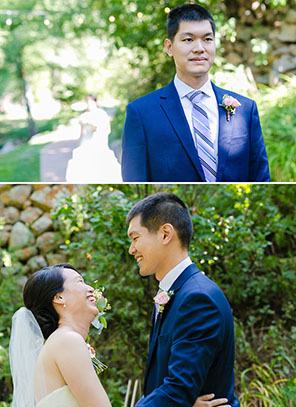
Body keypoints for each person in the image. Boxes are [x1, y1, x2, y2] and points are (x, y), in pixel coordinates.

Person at [9, 262, 232, 407]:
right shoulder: (67, 341)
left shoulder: (59, 342)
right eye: (79, 281)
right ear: (59, 298)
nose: (90, 288)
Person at [121, 4, 269, 182]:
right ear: (169, 47)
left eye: (207, 39)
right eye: (188, 40)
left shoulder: (245, 108)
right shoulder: (141, 113)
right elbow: (135, 177)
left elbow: (260, 178)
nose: (199, 48)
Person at [127, 192, 239, 407]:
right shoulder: (175, 293)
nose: (132, 249)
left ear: (165, 234)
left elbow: (179, 388)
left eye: (135, 238)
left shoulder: (197, 299)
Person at [65, 94, 121, 182]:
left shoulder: (101, 114)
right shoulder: (84, 116)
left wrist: (97, 128)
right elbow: (82, 133)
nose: (89, 104)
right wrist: (79, 144)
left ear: (96, 102)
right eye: (87, 102)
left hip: (98, 142)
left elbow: (107, 130)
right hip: (86, 142)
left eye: (91, 102)